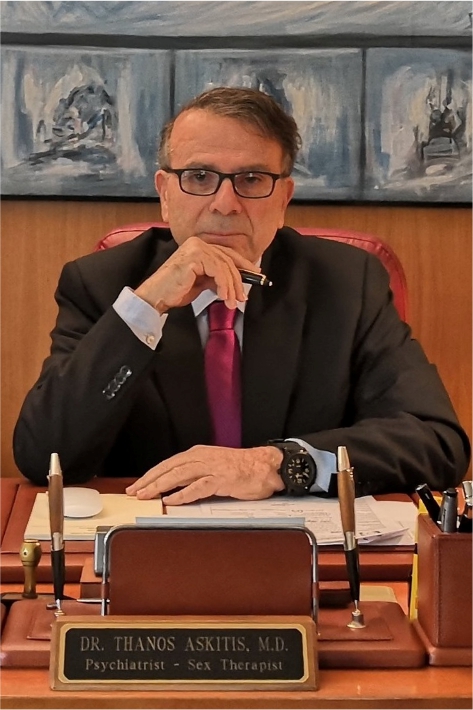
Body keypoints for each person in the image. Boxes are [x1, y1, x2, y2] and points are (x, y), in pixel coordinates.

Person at [14, 87, 470, 505]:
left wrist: (278, 465)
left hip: (305, 549)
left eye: (251, 179)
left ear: (284, 198)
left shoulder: (347, 283)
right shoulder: (103, 285)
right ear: (165, 194)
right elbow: (44, 456)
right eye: (198, 176)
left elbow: (435, 441)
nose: (225, 203)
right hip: (150, 542)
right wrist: (146, 309)